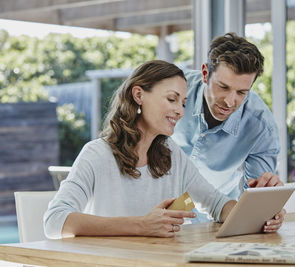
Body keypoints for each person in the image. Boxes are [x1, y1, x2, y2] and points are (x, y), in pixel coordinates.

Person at [43, 60, 238, 239]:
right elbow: (55, 221)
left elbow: (218, 204)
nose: (180, 110)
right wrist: (141, 225)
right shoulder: (97, 154)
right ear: (138, 95)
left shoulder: (171, 155)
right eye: (172, 99)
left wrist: (258, 217)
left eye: (183, 103)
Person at [172, 33, 285, 230]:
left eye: (242, 92)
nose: (230, 101)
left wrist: (268, 209)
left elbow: (257, 198)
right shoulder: (173, 90)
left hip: (213, 224)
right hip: (154, 213)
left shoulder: (260, 127)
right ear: (205, 73)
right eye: (223, 87)